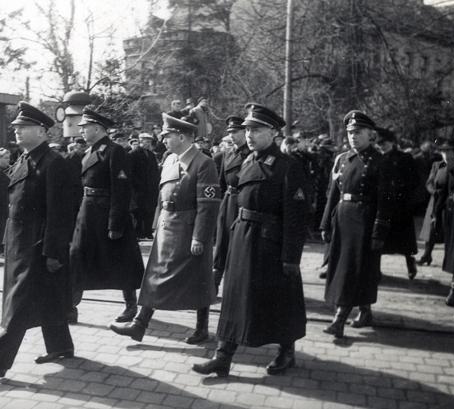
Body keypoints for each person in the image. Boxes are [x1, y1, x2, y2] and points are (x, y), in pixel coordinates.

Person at [192, 104, 308, 377]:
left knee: (278, 299)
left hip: (270, 243)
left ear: (273, 132)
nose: (249, 135)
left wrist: (291, 257)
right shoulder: (246, 161)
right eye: (247, 130)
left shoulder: (288, 166)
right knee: (234, 298)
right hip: (243, 237)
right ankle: (223, 356)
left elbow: (296, 217)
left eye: (256, 130)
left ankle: (286, 352)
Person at [0, 102, 76, 379]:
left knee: (18, 304)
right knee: (49, 296)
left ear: (41, 131)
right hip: (19, 243)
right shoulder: (25, 159)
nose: (17, 131)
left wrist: (53, 251)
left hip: (37, 246)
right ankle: (61, 346)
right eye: (16, 127)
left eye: (24, 127)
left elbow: (59, 212)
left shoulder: (53, 163)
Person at [110, 113, 221, 344]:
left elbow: (208, 206)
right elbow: (162, 196)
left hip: (188, 229)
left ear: (182, 137)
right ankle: (139, 325)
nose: (163, 140)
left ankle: (201, 328)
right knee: (155, 275)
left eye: (167, 135)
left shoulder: (204, 163)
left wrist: (199, 237)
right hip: (167, 227)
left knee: (198, 277)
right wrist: (156, 223)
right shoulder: (170, 160)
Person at [319, 111, 392, 338]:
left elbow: (384, 200)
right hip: (343, 219)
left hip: (364, 221)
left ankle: (339, 319)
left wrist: (378, 230)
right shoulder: (342, 159)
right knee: (346, 268)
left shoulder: (380, 161)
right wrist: (325, 224)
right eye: (350, 132)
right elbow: (333, 194)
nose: (353, 136)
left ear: (371, 135)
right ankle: (365, 311)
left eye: (358, 132)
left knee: (357, 269)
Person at [69, 107, 144, 324]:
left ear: (97, 128)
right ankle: (70, 307)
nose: (81, 131)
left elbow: (121, 190)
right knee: (77, 257)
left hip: (107, 213)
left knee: (121, 260)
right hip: (88, 213)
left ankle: (131, 306)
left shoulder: (114, 151)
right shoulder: (88, 152)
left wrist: (115, 223)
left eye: (85, 127)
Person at [212, 115, 250, 294]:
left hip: (242, 202)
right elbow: (221, 182)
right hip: (228, 200)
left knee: (238, 244)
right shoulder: (227, 153)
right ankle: (214, 283)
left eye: (235, 132)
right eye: (230, 132)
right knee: (222, 242)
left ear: (244, 132)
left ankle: (234, 285)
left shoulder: (251, 154)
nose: (232, 135)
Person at [376, 128, 418, 279]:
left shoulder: (404, 158)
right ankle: (376, 269)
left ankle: (410, 263)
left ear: (392, 142)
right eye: (379, 143)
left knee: (404, 239)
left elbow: (415, 180)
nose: (381, 146)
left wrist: (406, 195)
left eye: (384, 143)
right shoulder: (377, 159)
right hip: (383, 204)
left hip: (401, 205)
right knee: (379, 237)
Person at [432, 137, 454, 306]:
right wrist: (435, 214)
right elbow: (439, 194)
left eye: (449, 151)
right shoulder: (442, 168)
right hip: (449, 215)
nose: (446, 154)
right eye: (443, 151)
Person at [128, 133, 160, 240]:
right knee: (138, 212)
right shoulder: (133, 154)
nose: (148, 143)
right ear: (140, 141)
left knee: (149, 211)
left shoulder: (151, 155)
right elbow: (130, 173)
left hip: (150, 189)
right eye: (146, 141)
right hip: (138, 189)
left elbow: (155, 172)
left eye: (149, 141)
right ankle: (138, 233)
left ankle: (147, 231)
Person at [418, 154, 446, 266]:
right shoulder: (436, 165)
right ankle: (427, 255)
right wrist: (434, 192)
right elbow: (429, 183)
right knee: (430, 229)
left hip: (448, 200)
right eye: (443, 151)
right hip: (435, 200)